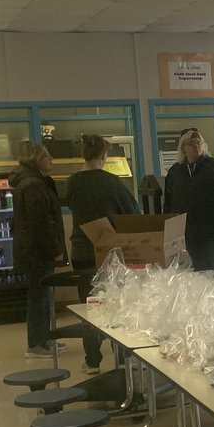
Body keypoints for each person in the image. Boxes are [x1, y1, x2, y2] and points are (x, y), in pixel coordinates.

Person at [66, 134, 138, 373]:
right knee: (116, 302)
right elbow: (131, 213)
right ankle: (121, 356)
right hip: (110, 251)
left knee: (89, 304)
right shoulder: (112, 182)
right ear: (104, 156)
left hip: (82, 250)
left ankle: (93, 360)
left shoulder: (73, 182)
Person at [10, 142, 66, 359]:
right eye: (46, 156)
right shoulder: (33, 185)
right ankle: (36, 343)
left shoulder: (30, 182)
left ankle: (43, 339)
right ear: (35, 160)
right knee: (39, 297)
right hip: (37, 251)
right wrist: (54, 249)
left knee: (41, 296)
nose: (51, 159)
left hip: (32, 249)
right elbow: (40, 222)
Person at [163, 128, 214, 270]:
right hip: (186, 234)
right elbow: (169, 201)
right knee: (192, 271)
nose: (196, 146)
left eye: (199, 142)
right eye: (191, 143)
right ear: (183, 148)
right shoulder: (175, 172)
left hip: (212, 233)